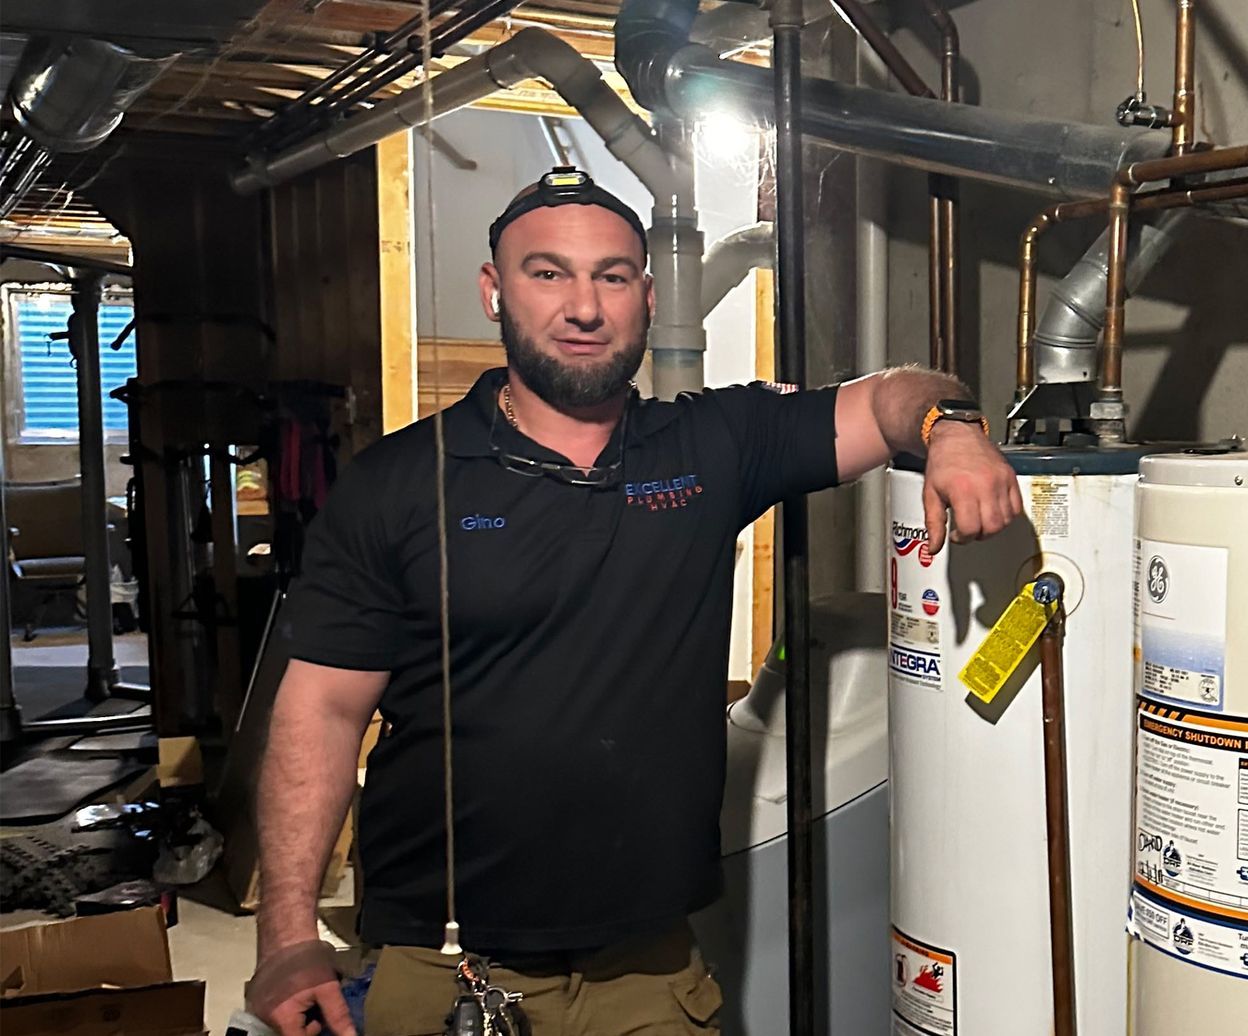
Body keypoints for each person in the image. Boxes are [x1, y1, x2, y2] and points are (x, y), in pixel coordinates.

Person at [244, 167, 1021, 1035]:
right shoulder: (397, 483)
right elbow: (322, 707)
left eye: (611, 276)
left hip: (651, 974)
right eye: (548, 274)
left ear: (647, 297)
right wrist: (285, 933)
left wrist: (953, 430)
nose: (584, 307)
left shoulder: (712, 444)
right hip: (447, 968)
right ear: (494, 292)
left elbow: (890, 398)